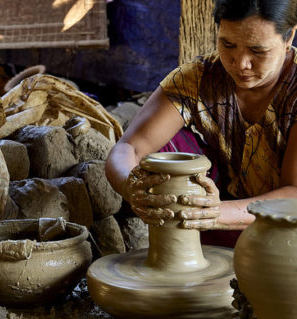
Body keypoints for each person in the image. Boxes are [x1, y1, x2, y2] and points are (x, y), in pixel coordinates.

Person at [105, 0, 297, 248]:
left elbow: (293, 195)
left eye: (258, 51)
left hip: (282, 229)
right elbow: (128, 148)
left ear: (289, 37)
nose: (240, 64)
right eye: (228, 44)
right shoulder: (199, 77)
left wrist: (213, 213)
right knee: (163, 153)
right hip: (213, 217)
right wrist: (132, 187)